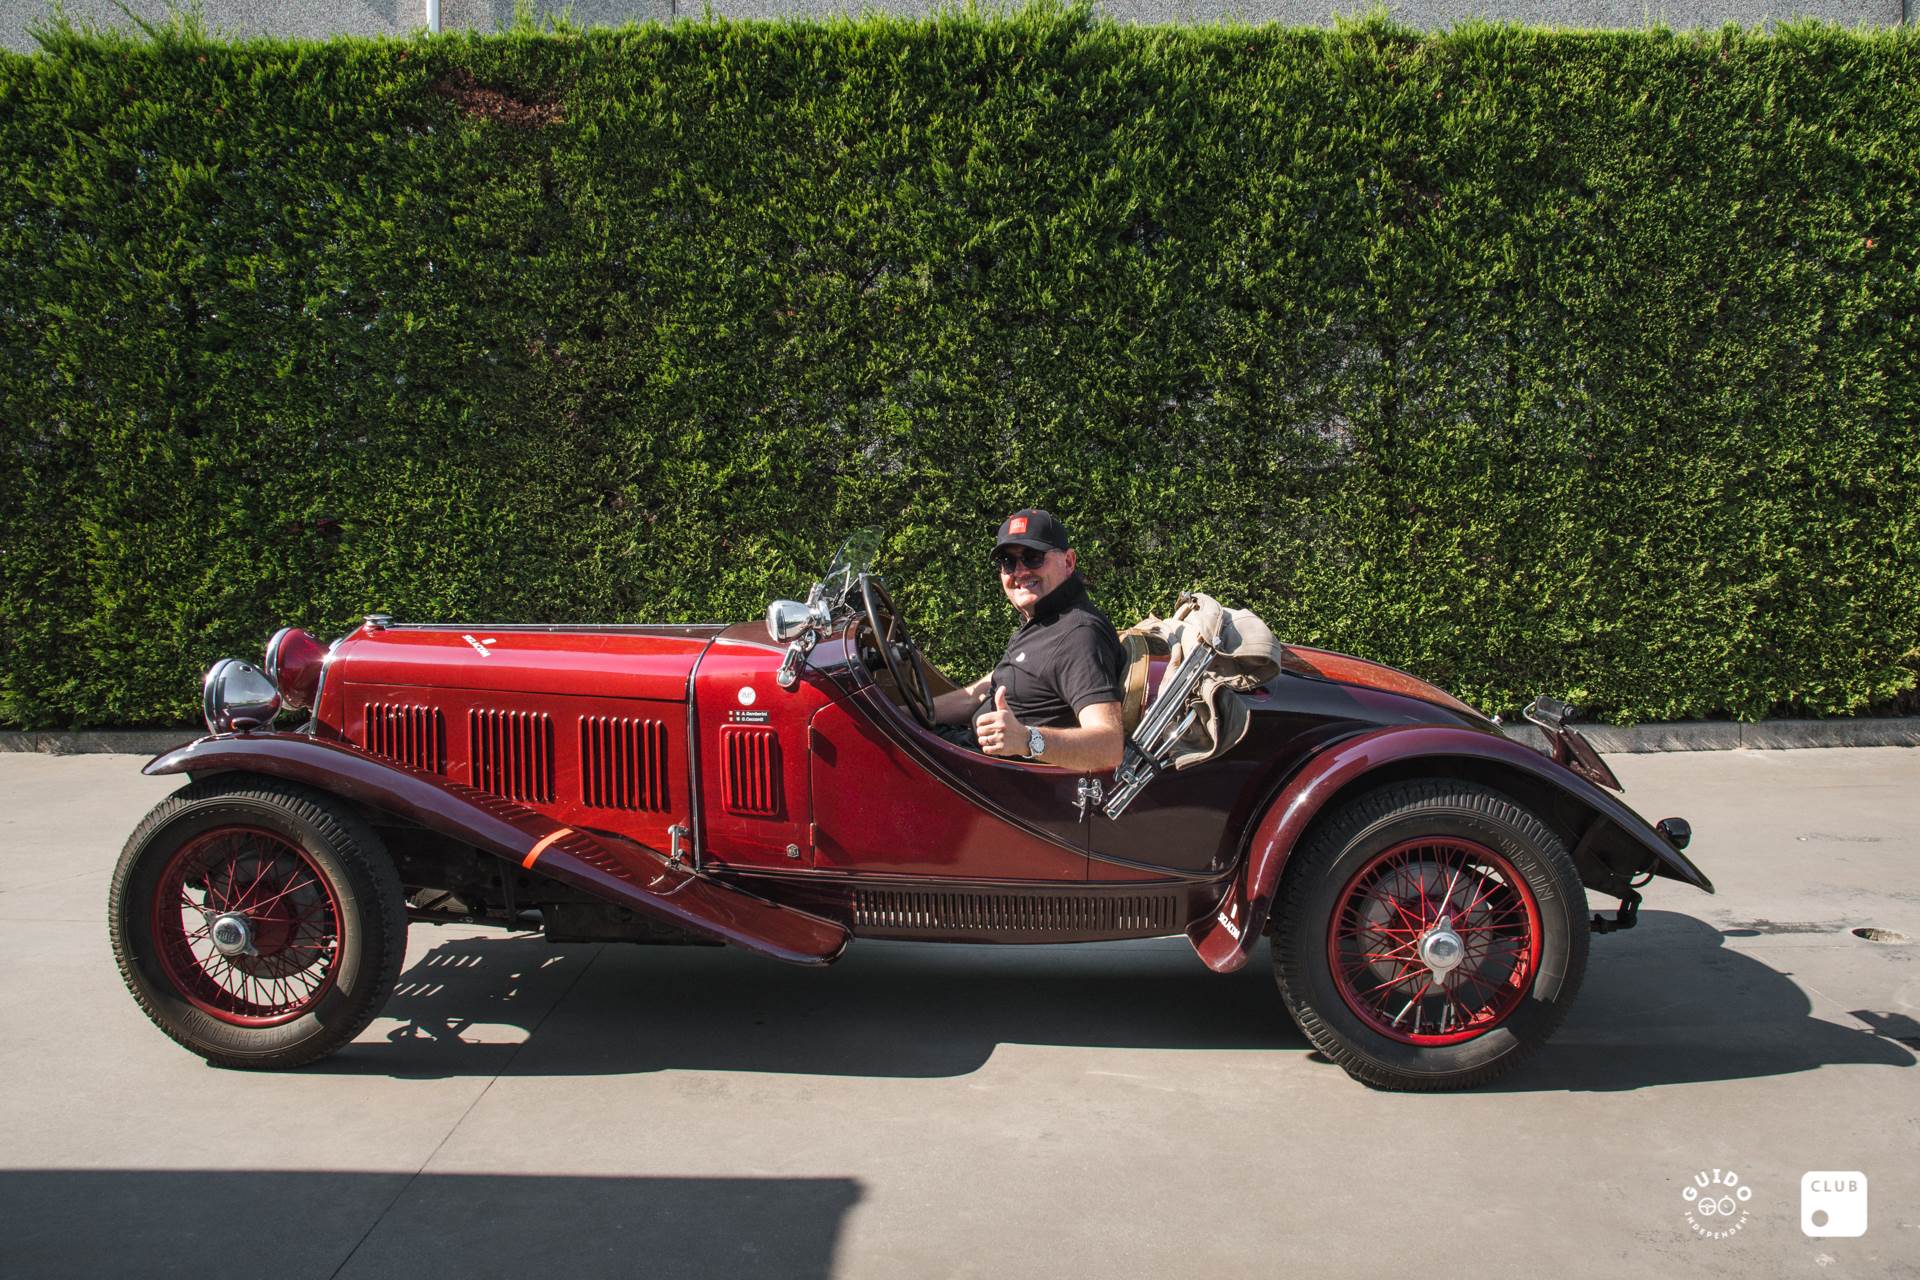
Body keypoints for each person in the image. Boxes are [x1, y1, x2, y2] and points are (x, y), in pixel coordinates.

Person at [931, 509, 1126, 772]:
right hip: (968, 753)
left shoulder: (1078, 635)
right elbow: (982, 691)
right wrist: (908, 713)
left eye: (1033, 557)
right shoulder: (1043, 621)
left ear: (1069, 561)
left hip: (989, 781)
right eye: (1008, 562)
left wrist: (1026, 740)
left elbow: (1109, 747)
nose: (1020, 571)